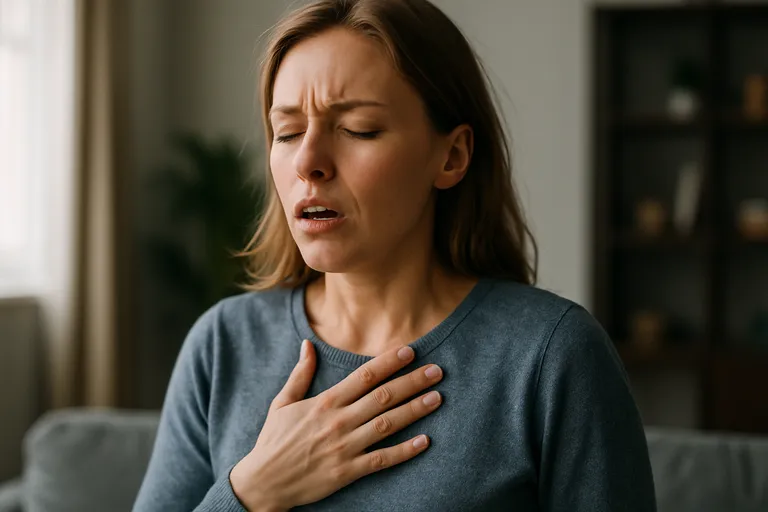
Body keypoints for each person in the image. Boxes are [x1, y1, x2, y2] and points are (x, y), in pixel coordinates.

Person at [133, 0, 657, 510]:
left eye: (358, 129)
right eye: (287, 132)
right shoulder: (221, 345)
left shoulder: (552, 357)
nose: (308, 162)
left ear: (451, 156)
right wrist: (250, 491)